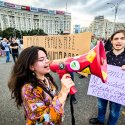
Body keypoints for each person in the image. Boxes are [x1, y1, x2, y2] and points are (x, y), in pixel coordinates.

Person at [8, 46, 74, 125]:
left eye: (46, 58)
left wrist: (64, 91)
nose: (47, 61)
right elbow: (42, 119)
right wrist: (63, 93)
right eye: (41, 59)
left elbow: (54, 99)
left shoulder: (47, 78)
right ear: (31, 66)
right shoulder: (28, 89)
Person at [89, 30, 125, 125]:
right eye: (116, 39)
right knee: (101, 106)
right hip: (103, 88)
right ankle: (100, 120)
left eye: (122, 38)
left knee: (114, 111)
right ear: (111, 41)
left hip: (118, 92)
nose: (119, 41)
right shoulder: (105, 54)